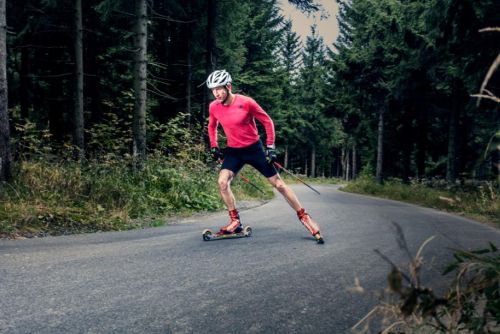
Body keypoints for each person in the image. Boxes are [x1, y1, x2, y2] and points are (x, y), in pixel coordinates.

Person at [206, 69, 324, 244]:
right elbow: (212, 126)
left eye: (219, 88)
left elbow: (267, 121)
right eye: (213, 89)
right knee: (222, 182)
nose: (216, 93)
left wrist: (270, 147)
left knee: (279, 184)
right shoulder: (214, 106)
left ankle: (304, 216)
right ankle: (235, 221)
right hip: (234, 151)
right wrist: (214, 146)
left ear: (228, 86)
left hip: (254, 149)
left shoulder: (247, 103)